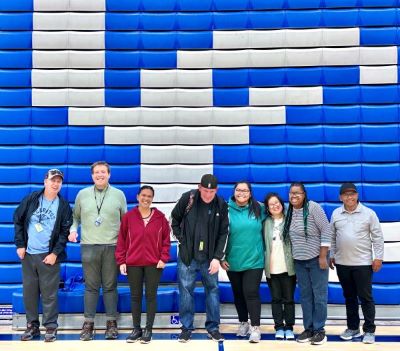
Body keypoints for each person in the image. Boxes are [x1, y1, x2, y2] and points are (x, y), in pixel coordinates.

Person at [68, 161, 127, 341]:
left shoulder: (119, 195)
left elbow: (125, 223)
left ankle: (111, 323)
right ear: (92, 175)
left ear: (109, 174)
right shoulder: (82, 194)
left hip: (112, 247)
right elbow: (75, 217)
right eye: (96, 172)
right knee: (91, 287)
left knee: (110, 286)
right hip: (89, 246)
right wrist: (72, 229)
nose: (100, 175)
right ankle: (88, 324)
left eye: (103, 172)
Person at [14, 169, 72, 342]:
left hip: (49, 257)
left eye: (59, 181)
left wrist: (55, 253)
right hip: (29, 255)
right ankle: (32, 326)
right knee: (29, 293)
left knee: (50, 294)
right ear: (45, 181)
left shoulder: (63, 205)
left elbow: (64, 232)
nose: (55, 184)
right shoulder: (32, 199)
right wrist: (20, 244)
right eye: (52, 180)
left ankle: (51, 327)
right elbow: (18, 219)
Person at [171, 174, 229, 343]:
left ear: (216, 190)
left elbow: (224, 232)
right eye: (205, 190)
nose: (208, 194)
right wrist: (182, 240)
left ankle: (213, 328)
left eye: (211, 191)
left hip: (210, 258)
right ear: (199, 187)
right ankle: (186, 327)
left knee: (212, 289)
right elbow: (173, 220)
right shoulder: (188, 199)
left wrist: (217, 258)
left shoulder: (221, 204)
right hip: (188, 256)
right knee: (186, 291)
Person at [330, 183, 384, 344]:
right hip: (342, 264)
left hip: (363, 263)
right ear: (341, 197)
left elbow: (377, 237)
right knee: (349, 297)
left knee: (366, 298)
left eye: (352, 194)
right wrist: (332, 255)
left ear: (357, 195)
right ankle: (353, 328)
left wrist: (378, 257)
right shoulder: (336, 214)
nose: (349, 197)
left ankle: (369, 330)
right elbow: (332, 236)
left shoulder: (369, 214)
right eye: (345, 194)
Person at [115, 185, 171, 344]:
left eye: (149, 196)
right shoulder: (129, 216)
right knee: (135, 296)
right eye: (143, 195)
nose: (146, 199)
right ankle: (136, 329)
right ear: (138, 196)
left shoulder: (160, 217)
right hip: (133, 263)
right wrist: (121, 261)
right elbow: (122, 240)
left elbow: (166, 241)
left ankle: (148, 329)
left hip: (154, 264)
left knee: (151, 296)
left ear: (152, 199)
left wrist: (163, 258)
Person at [282, 182, 332, 345]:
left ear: (304, 194)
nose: (293, 196)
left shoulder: (313, 207)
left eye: (297, 193)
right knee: (305, 296)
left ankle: (319, 330)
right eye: (291, 193)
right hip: (299, 260)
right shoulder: (288, 209)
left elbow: (326, 229)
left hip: (317, 257)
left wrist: (323, 255)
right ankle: (308, 328)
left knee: (319, 295)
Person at [221, 181, 265, 343]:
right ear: (234, 192)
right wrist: (222, 257)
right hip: (232, 261)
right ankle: (243, 323)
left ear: (250, 193)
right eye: (239, 190)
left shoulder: (259, 208)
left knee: (251, 293)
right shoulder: (225, 209)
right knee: (238, 294)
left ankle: (255, 327)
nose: (242, 193)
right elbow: (220, 235)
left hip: (254, 260)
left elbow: (279, 211)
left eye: (245, 190)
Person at [263, 192, 296, 340]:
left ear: (282, 204)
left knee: (288, 299)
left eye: (277, 203)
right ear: (268, 208)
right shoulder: (265, 222)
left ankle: (289, 327)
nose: (275, 206)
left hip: (288, 268)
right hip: (272, 268)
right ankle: (279, 327)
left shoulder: (290, 219)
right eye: (271, 205)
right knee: (276, 299)